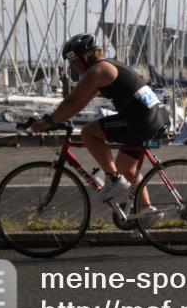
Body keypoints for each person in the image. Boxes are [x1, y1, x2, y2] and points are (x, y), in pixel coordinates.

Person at [31, 34, 169, 221]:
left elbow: (72, 101)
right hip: (151, 117)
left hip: (141, 119)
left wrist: (48, 121)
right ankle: (147, 210)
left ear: (84, 57)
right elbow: (79, 103)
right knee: (125, 167)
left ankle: (113, 180)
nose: (72, 67)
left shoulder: (98, 71)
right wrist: (55, 119)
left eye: (72, 62)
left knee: (89, 133)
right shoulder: (106, 67)